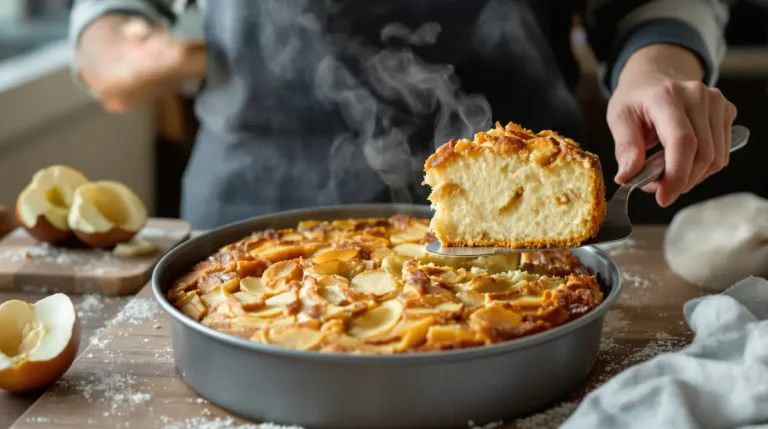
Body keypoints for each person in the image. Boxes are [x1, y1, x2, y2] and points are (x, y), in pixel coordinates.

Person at [70, 0, 738, 230]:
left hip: (525, 221)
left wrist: (658, 70)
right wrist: (113, 40)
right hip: (242, 213)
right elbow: (109, 22)